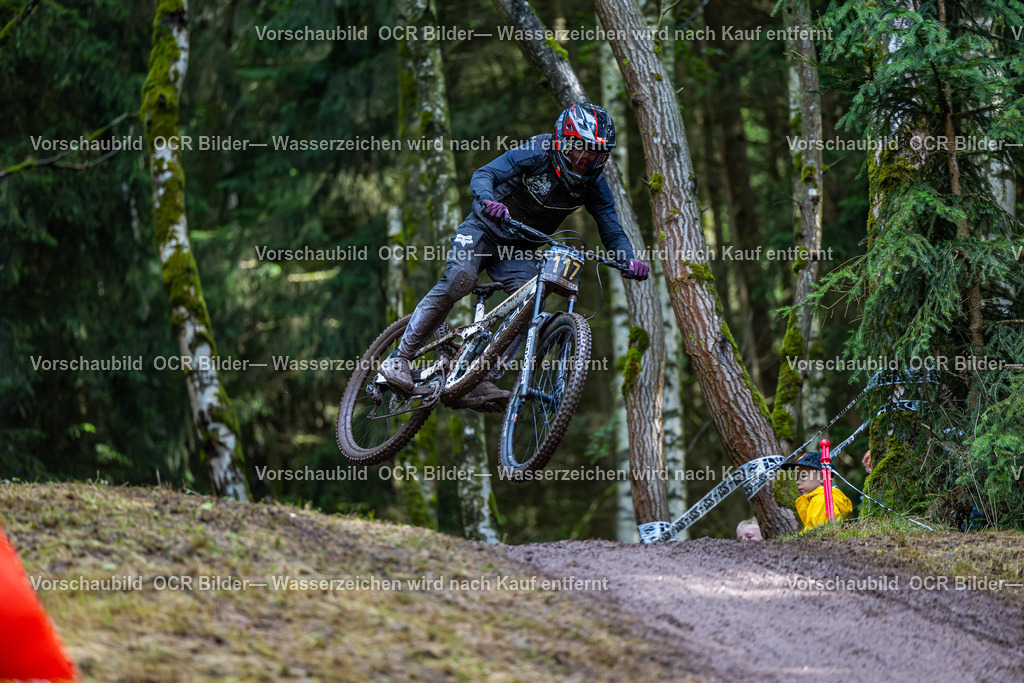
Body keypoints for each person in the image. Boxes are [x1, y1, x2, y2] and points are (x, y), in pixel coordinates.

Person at [381, 102, 650, 411]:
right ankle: (399, 358)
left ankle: (481, 379)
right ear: (562, 141)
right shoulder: (537, 152)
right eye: (579, 151)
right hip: (484, 228)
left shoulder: (594, 185)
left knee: (532, 306)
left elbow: (612, 228)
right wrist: (487, 200)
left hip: (519, 250)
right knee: (460, 279)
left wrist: (628, 259)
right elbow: (485, 174)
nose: (583, 161)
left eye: (593, 155)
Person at [780, 451, 853, 531]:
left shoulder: (820, 501)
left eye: (803, 476)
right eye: (797, 478)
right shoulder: (826, 497)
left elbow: (813, 534)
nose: (797, 482)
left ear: (822, 477)